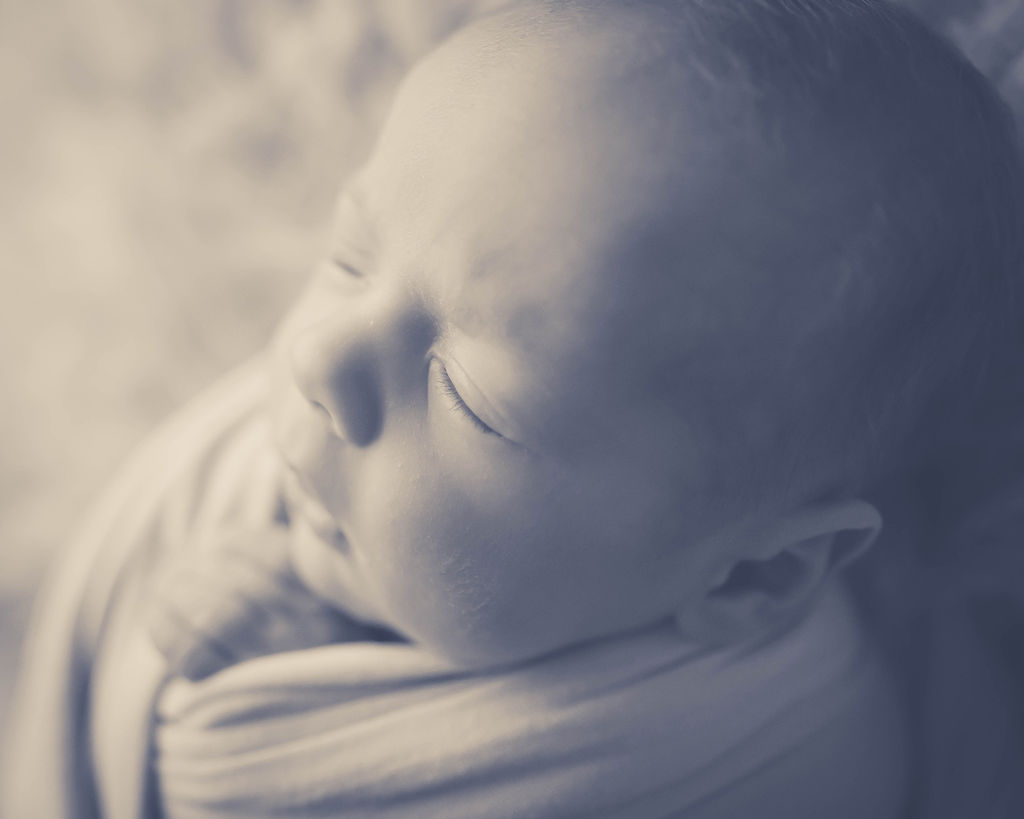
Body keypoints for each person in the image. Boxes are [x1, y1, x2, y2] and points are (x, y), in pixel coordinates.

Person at [6, 1, 1023, 817]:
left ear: (757, 576)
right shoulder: (527, 551)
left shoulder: (753, 767)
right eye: (350, 257)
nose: (320, 354)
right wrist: (316, 625)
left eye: (471, 399)